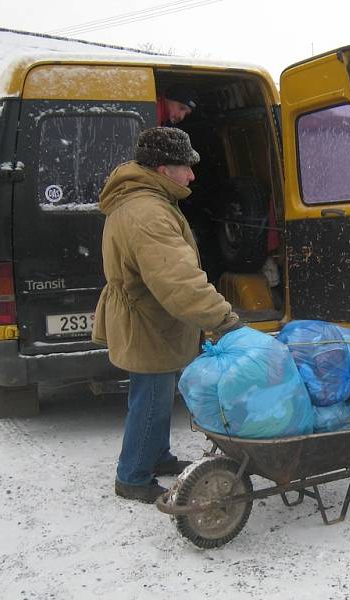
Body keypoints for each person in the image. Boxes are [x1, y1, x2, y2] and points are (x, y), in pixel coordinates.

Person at [93, 127, 240, 503]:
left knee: (153, 395)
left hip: (148, 316)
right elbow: (179, 281)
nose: (192, 175)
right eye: (186, 167)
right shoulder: (148, 213)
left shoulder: (145, 200)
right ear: (163, 169)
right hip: (149, 321)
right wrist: (223, 319)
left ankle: (155, 457)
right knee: (151, 399)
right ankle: (133, 476)